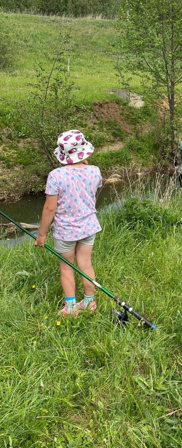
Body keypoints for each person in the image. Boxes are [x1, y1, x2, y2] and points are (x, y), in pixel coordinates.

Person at [35, 130, 102, 316]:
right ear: (84, 151)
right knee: (86, 264)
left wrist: (41, 234)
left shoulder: (56, 176)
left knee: (66, 267)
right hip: (89, 227)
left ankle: (71, 308)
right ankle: (89, 302)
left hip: (66, 231)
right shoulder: (94, 170)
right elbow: (91, 189)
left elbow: (49, 209)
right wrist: (84, 166)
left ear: (63, 154)